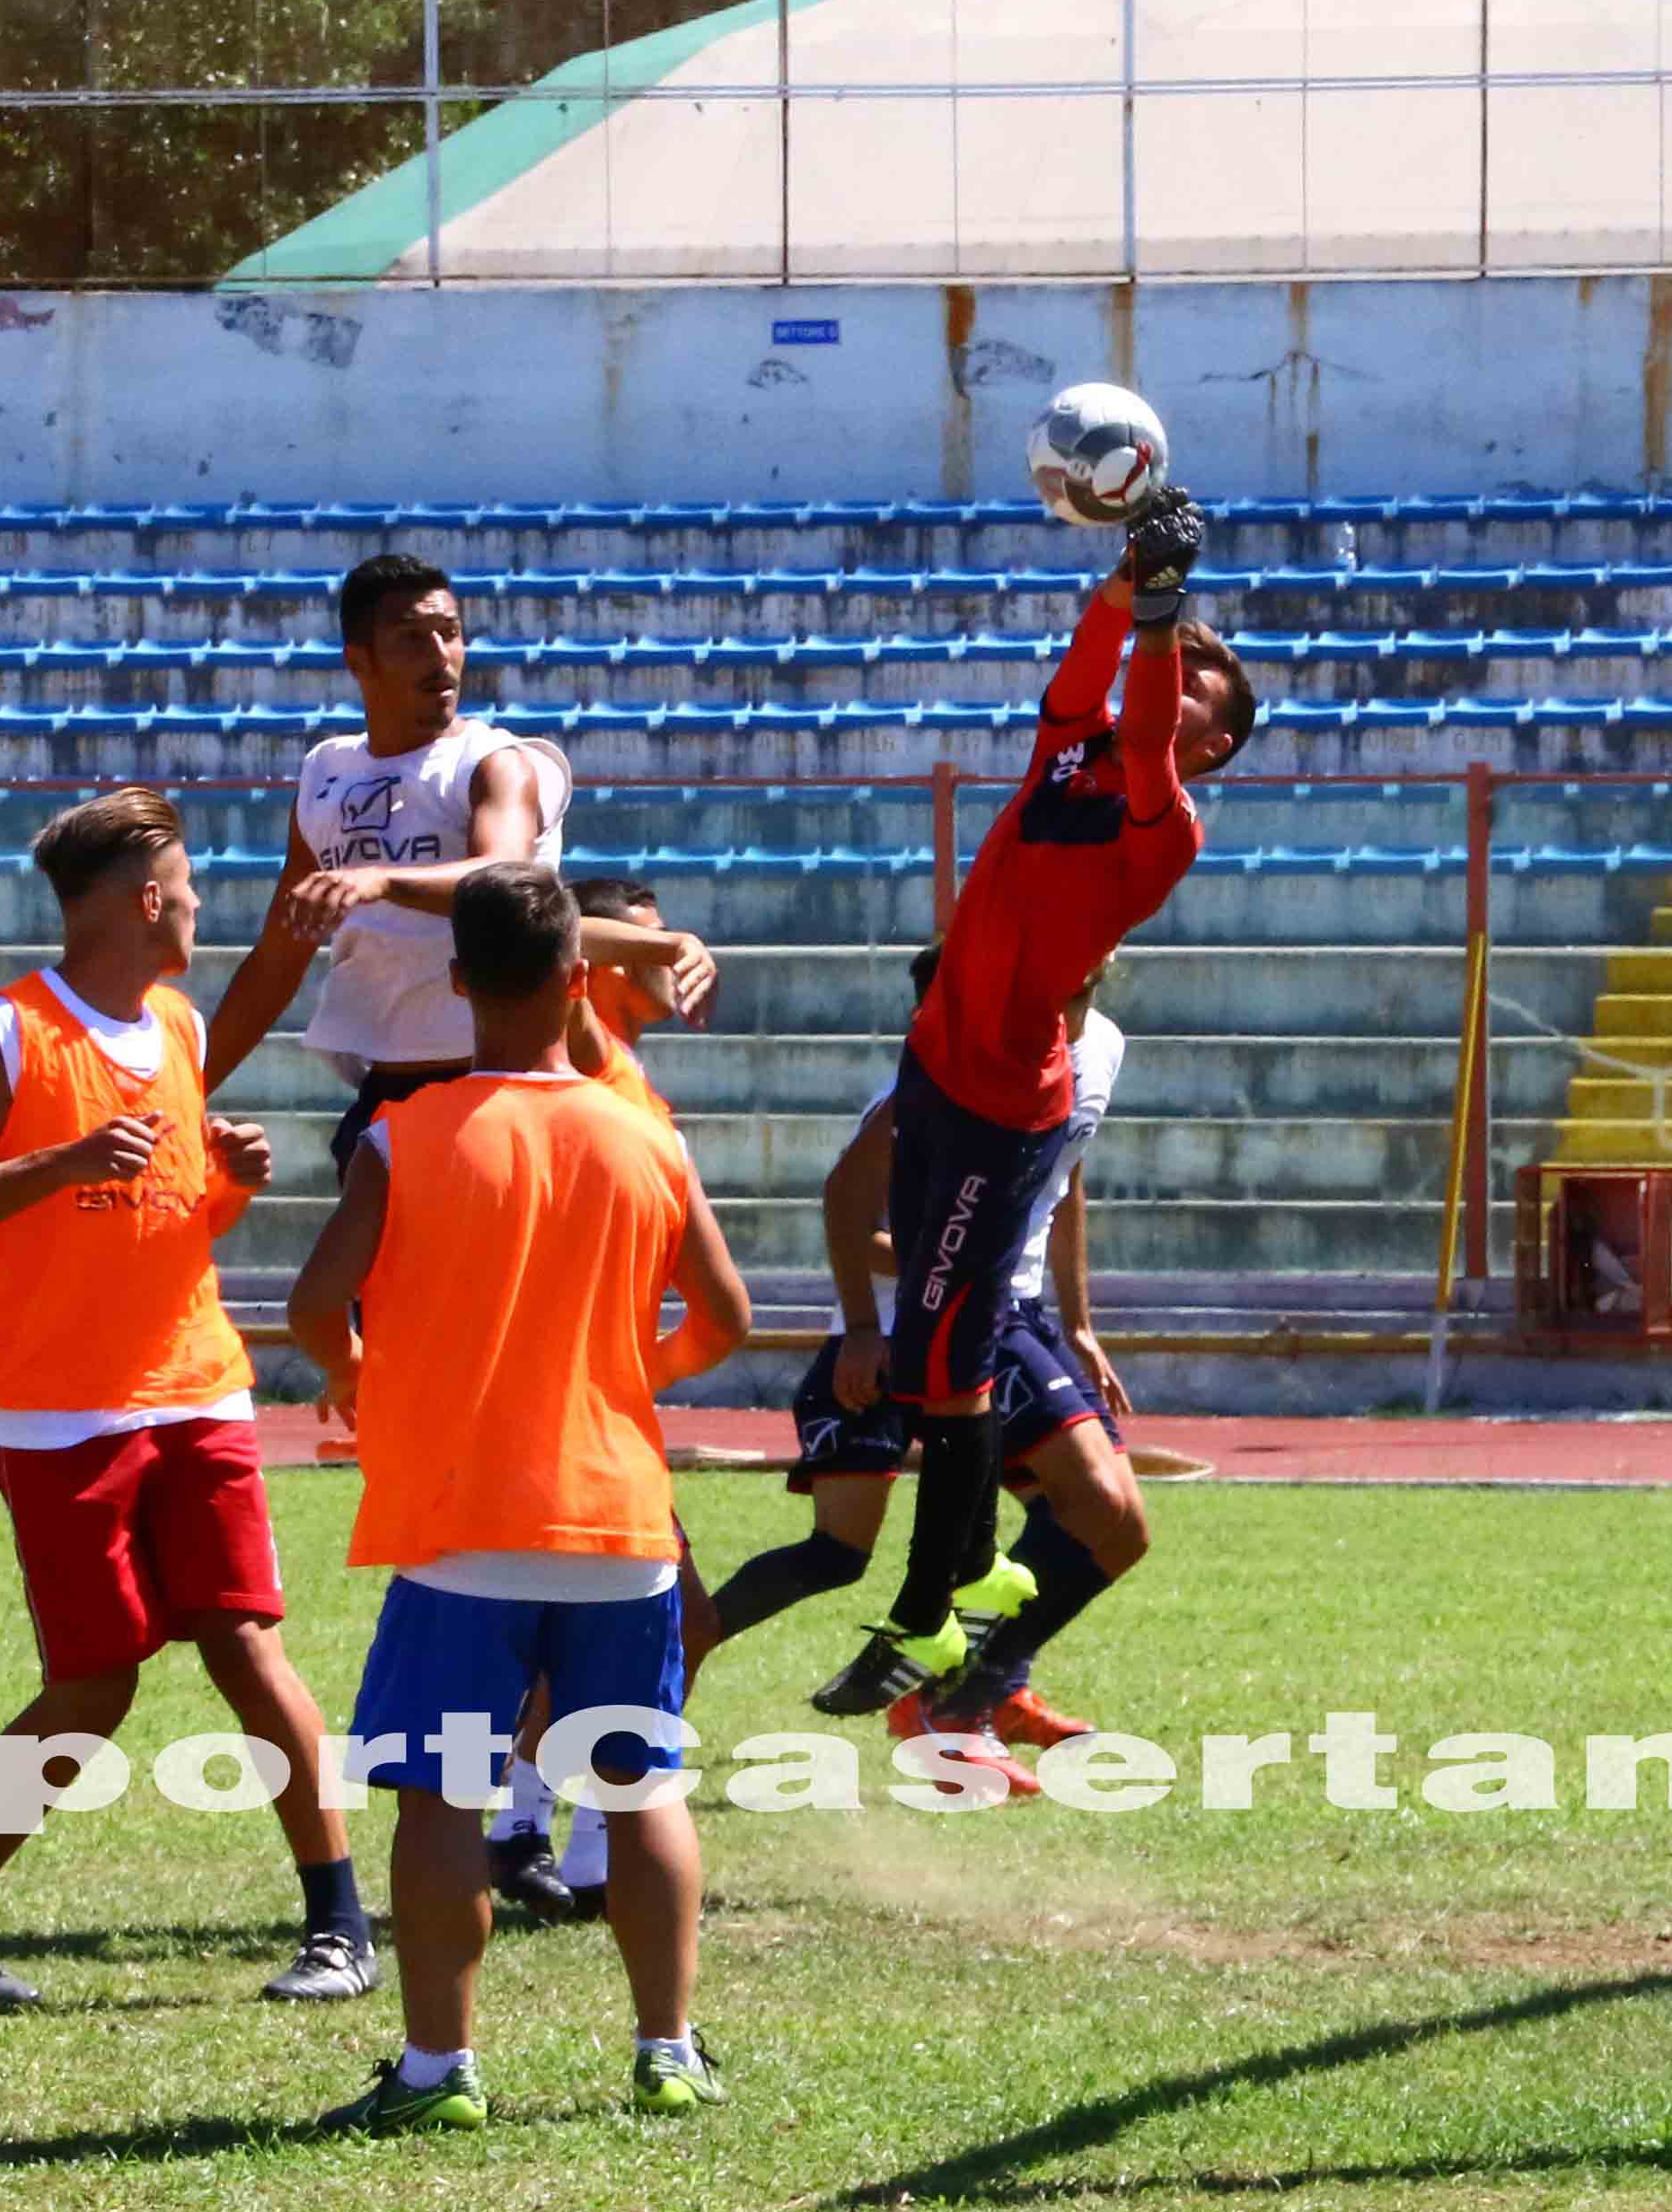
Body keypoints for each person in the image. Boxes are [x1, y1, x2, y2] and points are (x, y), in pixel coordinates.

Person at [0, 786, 370, 2011]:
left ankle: (339, 1924)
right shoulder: (6, 1031)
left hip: (197, 1387)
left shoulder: (183, 1031)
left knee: (248, 1644)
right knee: (95, 1682)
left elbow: (167, 1220)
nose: (199, 907)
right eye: (191, 888)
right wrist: (58, 1160)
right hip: (62, 1412)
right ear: (147, 901)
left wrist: (231, 1187)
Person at [286, 860, 752, 2137]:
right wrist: (630, 1375)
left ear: (454, 985)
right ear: (574, 980)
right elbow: (726, 1316)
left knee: (442, 1795)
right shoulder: (641, 1129)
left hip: (463, 1523)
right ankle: (665, 2050)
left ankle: (439, 2072)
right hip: (616, 1516)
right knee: (638, 1781)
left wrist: (360, 1378)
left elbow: (313, 1305)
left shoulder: (405, 1132)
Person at [812, 495, 1249, 1716]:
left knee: (948, 1369)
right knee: (943, 1373)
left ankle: (932, 1621)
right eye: (1187, 654)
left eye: (1208, 680)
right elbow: (1087, 669)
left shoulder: (1164, 818)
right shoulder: (1069, 748)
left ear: (1212, 744)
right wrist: (1126, 585)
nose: (1183, 671)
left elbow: (1151, 722)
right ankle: (950, 1614)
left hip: (997, 1100)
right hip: (941, 1069)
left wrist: (1160, 617)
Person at [707, 956, 1149, 1791]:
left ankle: (979, 1687)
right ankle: (948, 1699)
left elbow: (1066, 1176)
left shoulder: (1104, 1047)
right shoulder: (949, 1072)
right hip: (941, 1315)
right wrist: (866, 1328)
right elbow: (847, 1203)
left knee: (1113, 1525)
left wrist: (1081, 1323)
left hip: (1014, 1311)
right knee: (843, 1550)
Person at [203, 554, 715, 1169]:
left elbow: (503, 877)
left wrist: (380, 877)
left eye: (449, 633)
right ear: (358, 660)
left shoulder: (495, 763)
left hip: (506, 1091)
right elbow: (276, 960)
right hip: (389, 1097)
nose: (439, 654)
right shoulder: (325, 774)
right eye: (411, 639)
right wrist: (189, 1091)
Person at [479, 874, 718, 1920]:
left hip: (592, 1387)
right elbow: (548, 943)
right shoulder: (578, 1038)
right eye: (643, 942)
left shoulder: (627, 1069)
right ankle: (534, 1829)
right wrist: (653, 945)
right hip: (562, 1395)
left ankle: (553, 1835)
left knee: (636, 1626)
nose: (665, 960)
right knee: (615, 1623)